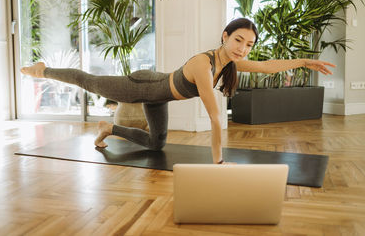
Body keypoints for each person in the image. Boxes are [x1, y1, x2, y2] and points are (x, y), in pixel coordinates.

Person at [21, 18, 336, 164]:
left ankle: (109, 128)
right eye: (238, 40)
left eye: (249, 44)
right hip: (143, 84)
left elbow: (269, 66)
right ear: (226, 36)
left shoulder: (231, 65)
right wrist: (218, 163)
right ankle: (42, 70)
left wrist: (307, 61)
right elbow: (214, 118)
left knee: (156, 146)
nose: (243, 48)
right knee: (88, 80)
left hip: (160, 95)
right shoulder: (204, 64)